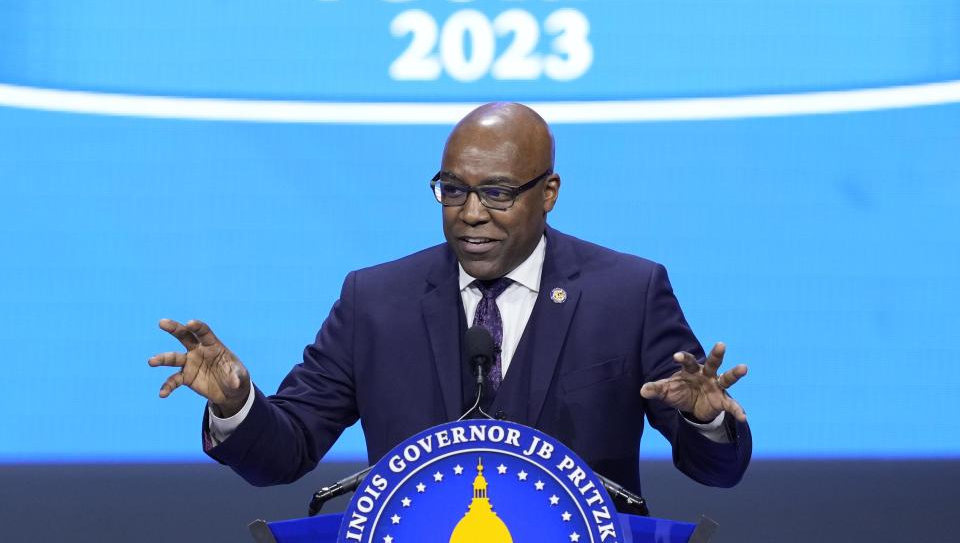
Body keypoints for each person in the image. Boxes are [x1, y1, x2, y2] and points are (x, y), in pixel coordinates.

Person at [149, 102, 751, 498]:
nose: (469, 215)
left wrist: (708, 419)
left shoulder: (630, 292)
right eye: (452, 190)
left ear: (549, 194)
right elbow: (286, 453)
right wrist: (237, 405)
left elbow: (717, 469)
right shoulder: (375, 301)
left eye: (496, 193)